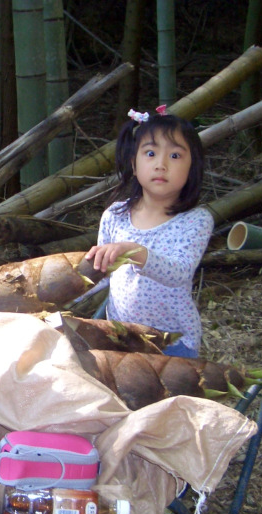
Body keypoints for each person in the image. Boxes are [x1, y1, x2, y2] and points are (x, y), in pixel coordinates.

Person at [84, 107, 213, 358]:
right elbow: (101, 273)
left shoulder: (195, 221)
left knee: (170, 398)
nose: (161, 165)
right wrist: (56, 294)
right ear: (134, 164)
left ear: (191, 168)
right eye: (151, 153)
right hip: (122, 339)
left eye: (175, 156)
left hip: (173, 343)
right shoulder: (115, 215)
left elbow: (179, 272)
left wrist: (135, 252)